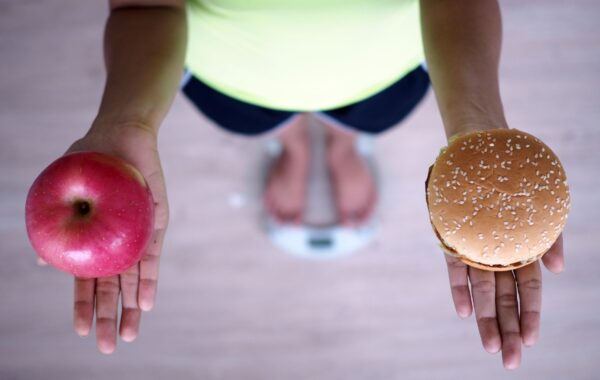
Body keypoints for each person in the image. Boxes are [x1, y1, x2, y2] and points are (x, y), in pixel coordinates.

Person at [60, 0, 565, 369]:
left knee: (370, 117)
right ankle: (299, 144)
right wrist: (128, 123)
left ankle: (339, 145)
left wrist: (478, 131)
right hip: (230, 72)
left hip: (384, 68)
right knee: (255, 120)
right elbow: (142, 7)